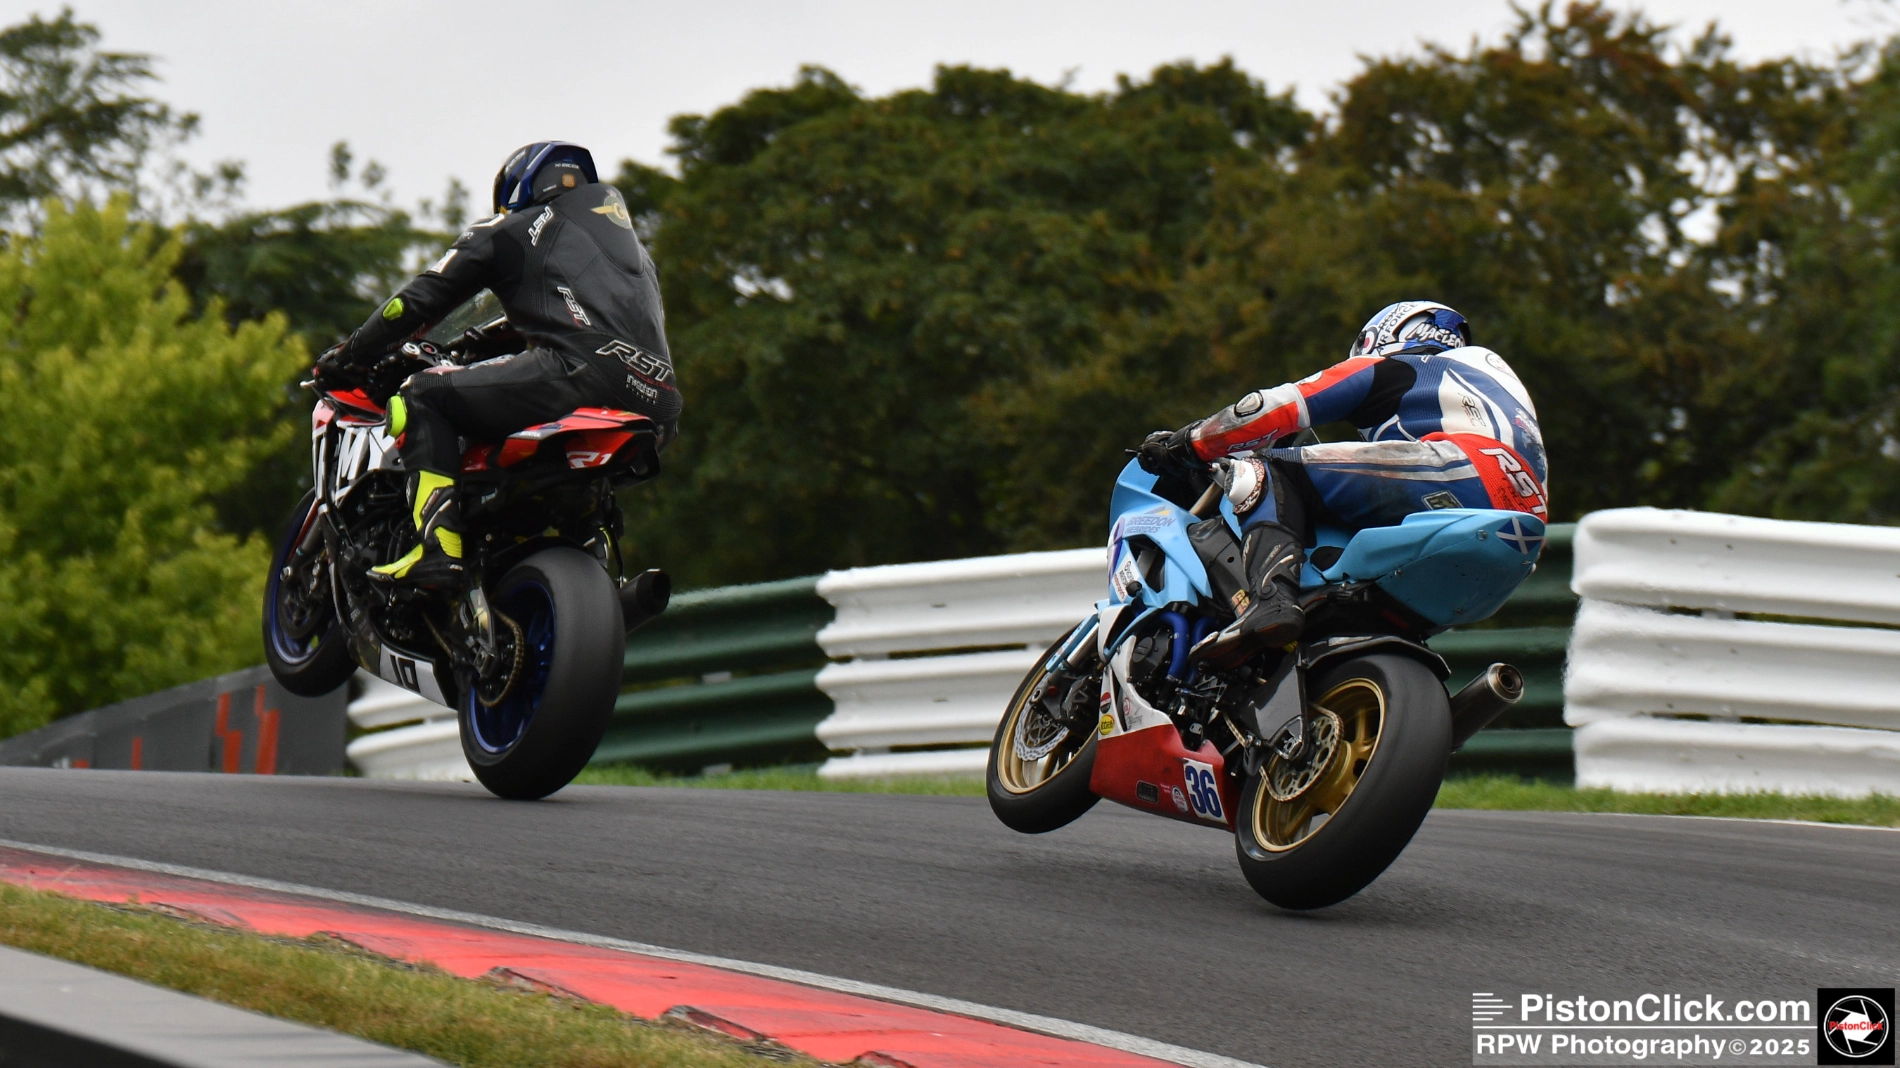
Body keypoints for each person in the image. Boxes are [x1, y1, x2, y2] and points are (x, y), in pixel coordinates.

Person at [319, 141, 680, 586]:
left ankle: (438, 548)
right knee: (580, 479)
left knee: (423, 396)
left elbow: (416, 302)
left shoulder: (513, 228)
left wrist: (352, 353)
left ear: (519, 188)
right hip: (659, 405)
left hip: (577, 376)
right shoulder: (637, 257)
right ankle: (596, 562)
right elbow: (567, 320)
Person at [1135, 300, 1548, 664]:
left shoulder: (1402, 364)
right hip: (1522, 527)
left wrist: (1190, 443)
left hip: (1460, 470)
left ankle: (1271, 602)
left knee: (1265, 470)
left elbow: (1273, 407)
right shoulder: (1489, 384)